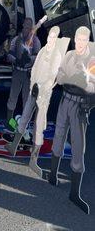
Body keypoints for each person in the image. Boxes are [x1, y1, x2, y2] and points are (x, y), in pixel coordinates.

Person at [6, 27, 69, 177]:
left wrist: (43, 87)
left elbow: (53, 75)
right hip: (33, 90)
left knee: (38, 127)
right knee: (24, 118)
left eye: (54, 38)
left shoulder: (57, 55)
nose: (50, 40)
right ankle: (13, 146)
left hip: (44, 94)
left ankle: (33, 160)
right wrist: (33, 83)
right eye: (49, 37)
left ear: (57, 39)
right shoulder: (42, 51)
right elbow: (34, 69)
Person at [46, 26, 95, 214]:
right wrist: (69, 78)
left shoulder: (92, 59)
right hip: (65, 100)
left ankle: (75, 193)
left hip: (80, 105)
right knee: (58, 135)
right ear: (74, 39)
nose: (80, 42)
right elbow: (60, 75)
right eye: (78, 39)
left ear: (88, 40)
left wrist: (89, 100)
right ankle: (52, 175)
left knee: (77, 145)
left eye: (84, 39)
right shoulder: (69, 56)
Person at [6, 17, 41, 123]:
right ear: (23, 26)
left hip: (28, 73)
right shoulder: (16, 39)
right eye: (25, 26)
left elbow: (38, 55)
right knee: (13, 96)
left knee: (27, 98)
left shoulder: (35, 40)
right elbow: (10, 53)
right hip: (17, 70)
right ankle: (9, 120)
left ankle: (25, 122)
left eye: (29, 26)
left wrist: (29, 60)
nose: (27, 28)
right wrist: (16, 60)